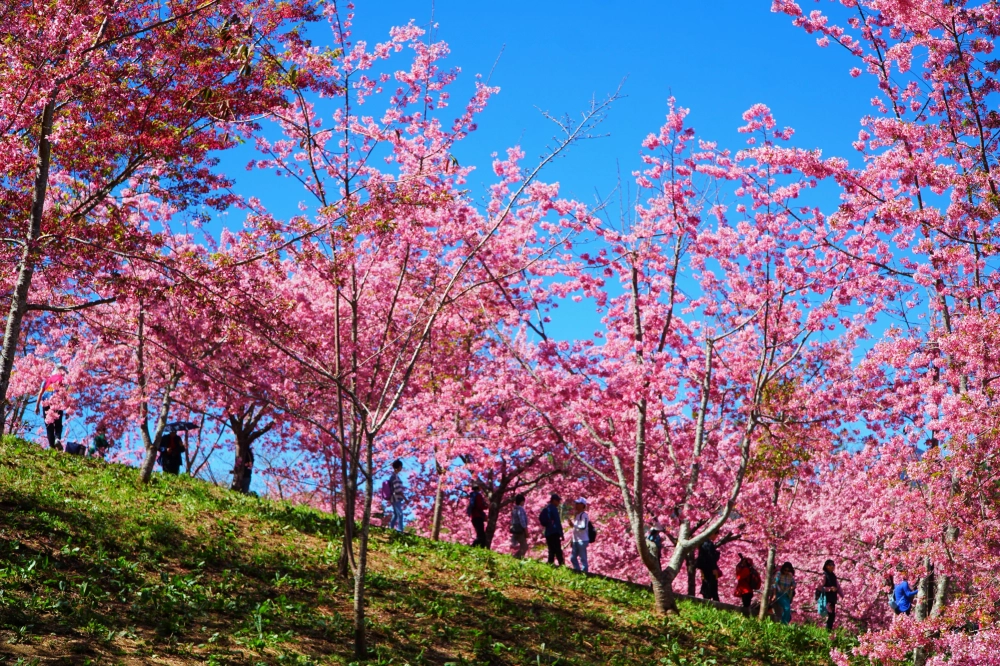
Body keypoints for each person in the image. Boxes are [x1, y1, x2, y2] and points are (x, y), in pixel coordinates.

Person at [35, 365, 67, 451]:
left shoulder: (47, 379)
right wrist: (67, 409)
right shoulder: (63, 380)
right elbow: (64, 395)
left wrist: (37, 406)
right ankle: (57, 439)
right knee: (58, 424)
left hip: (46, 403)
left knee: (49, 426)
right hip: (57, 402)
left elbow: (41, 393)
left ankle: (52, 447)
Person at [538, 493, 565, 566]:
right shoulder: (553, 509)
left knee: (551, 549)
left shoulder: (547, 508)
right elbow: (557, 521)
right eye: (557, 501)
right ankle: (561, 564)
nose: (558, 502)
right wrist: (561, 533)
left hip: (548, 532)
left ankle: (550, 563)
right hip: (554, 532)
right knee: (557, 549)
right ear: (553, 500)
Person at [695, 531, 722, 602]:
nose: (716, 537)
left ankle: (710, 598)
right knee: (710, 583)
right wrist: (714, 568)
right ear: (713, 534)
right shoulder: (708, 544)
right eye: (716, 535)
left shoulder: (703, 543)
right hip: (709, 568)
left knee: (708, 583)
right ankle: (709, 599)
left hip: (705, 567)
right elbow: (710, 557)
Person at [820, 559, 843, 631]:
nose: (833, 566)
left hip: (832, 598)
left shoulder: (833, 576)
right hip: (826, 598)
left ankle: (828, 630)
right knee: (831, 615)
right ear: (826, 566)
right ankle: (827, 631)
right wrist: (829, 589)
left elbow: (838, 587)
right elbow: (820, 587)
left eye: (833, 565)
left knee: (832, 615)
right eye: (831, 565)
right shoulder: (824, 576)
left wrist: (843, 596)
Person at [569, 498, 590, 573]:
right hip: (576, 540)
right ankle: (577, 571)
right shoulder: (577, 515)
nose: (576, 505)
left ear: (582, 505)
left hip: (582, 540)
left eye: (578, 504)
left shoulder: (584, 515)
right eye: (576, 503)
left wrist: (574, 525)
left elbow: (583, 527)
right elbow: (576, 528)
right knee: (573, 558)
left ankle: (585, 573)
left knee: (583, 558)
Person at [467, 482, 489, 548]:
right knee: (481, 535)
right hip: (478, 517)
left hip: (474, 517)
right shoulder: (478, 495)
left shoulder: (472, 496)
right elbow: (479, 506)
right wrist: (487, 506)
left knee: (481, 534)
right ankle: (472, 547)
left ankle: (480, 548)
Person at [510, 493, 529, 559]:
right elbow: (522, 521)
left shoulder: (514, 509)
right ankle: (516, 558)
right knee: (524, 546)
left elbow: (512, 521)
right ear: (522, 501)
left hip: (515, 529)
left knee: (523, 545)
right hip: (520, 530)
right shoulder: (520, 509)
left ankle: (516, 557)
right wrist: (526, 530)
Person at [388, 459, 405, 532]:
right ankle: (400, 530)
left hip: (395, 498)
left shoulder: (394, 476)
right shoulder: (394, 477)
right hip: (395, 498)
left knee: (395, 514)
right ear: (399, 467)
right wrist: (405, 498)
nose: (401, 468)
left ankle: (390, 528)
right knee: (400, 514)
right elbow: (398, 490)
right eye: (401, 466)